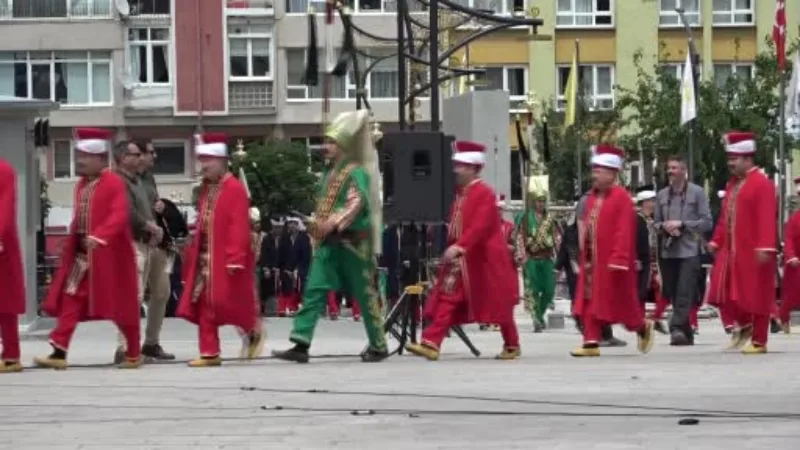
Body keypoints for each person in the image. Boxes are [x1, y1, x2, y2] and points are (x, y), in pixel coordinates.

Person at [273, 110, 388, 363]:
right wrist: (317, 223)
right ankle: (301, 343)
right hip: (329, 245)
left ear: (345, 145)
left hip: (354, 244)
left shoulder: (356, 171)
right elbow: (326, 207)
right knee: (314, 289)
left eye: (332, 141)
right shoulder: (327, 174)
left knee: (364, 294)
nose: (326, 146)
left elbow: (355, 203)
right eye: (327, 141)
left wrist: (331, 223)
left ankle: (379, 344)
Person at [35, 128, 142, 370]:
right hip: (83, 257)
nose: (80, 161)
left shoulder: (114, 182)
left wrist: (101, 237)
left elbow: (119, 214)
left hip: (110, 257)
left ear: (101, 159)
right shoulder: (81, 184)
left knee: (120, 306)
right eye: (79, 155)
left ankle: (134, 352)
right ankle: (59, 350)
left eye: (85, 156)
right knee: (71, 298)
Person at [405, 140, 520, 361]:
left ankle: (512, 343)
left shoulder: (485, 193)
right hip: (463, 258)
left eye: (461, 166)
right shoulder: (460, 193)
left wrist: (460, 246)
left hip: (483, 259)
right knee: (448, 296)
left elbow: (480, 226)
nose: (456, 170)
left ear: (473, 168)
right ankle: (431, 342)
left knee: (499, 303)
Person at [176, 132, 265, 367]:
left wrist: (236, 257)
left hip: (225, 258)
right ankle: (209, 351)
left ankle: (252, 329)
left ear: (222, 162)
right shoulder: (208, 188)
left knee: (227, 303)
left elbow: (239, 225)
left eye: (208, 160)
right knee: (204, 304)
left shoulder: (234, 188)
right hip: (205, 257)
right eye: (201, 160)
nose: (203, 165)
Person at [571, 144, 655, 358]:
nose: (594, 176)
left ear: (612, 173)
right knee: (589, 300)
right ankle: (590, 341)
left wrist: (619, 258)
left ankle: (641, 326)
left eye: (598, 172)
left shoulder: (622, 198)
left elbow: (624, 231)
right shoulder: (591, 199)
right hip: (593, 263)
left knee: (622, 306)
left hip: (614, 263)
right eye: (594, 171)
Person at [707, 131, 777, 354]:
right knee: (722, 291)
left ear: (748, 159)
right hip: (731, 251)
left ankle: (759, 340)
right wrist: (716, 241)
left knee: (757, 295)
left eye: (734, 159)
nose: (730, 163)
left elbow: (767, 218)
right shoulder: (733, 184)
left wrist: (766, 247)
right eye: (729, 159)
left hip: (754, 251)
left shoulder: (762, 184)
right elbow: (724, 216)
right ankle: (744, 326)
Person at [110, 140, 166, 364]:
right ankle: (124, 349)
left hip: (145, 243)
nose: (140, 158)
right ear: (124, 158)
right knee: (132, 298)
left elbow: (143, 208)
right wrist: (150, 226)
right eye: (135, 154)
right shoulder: (119, 181)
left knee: (138, 296)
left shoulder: (138, 181)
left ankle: (133, 347)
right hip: (131, 244)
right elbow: (127, 212)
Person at [652, 155, 713, 346]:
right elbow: (654, 223)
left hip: (690, 250)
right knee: (672, 292)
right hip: (668, 250)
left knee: (685, 290)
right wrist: (665, 227)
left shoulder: (697, 192)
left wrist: (683, 224)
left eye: (675, 168)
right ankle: (686, 332)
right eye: (669, 168)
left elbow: (707, 222)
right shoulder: (662, 195)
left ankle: (676, 327)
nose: (671, 171)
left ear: (684, 170)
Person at [135, 140, 175, 360]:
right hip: (138, 240)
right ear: (138, 155)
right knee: (135, 295)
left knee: (162, 292)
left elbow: (153, 203)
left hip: (156, 241)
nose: (154, 156)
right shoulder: (126, 179)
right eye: (150, 152)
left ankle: (151, 342)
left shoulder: (149, 178)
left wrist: (160, 206)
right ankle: (127, 346)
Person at [515, 181, 558, 333]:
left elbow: (556, 238)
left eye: (543, 201)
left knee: (549, 291)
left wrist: (557, 258)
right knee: (532, 291)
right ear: (534, 202)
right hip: (531, 258)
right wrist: (521, 255)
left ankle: (539, 315)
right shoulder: (525, 217)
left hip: (547, 259)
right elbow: (519, 236)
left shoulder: (550, 220)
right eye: (539, 201)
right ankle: (536, 320)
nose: (541, 204)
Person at [0, 158, 25, 373]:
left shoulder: (4, 170)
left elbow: (6, 208)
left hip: (2, 247)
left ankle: (11, 355)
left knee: (5, 303)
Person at [635, 187, 666, 333]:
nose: (654, 204)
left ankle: (656, 318)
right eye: (652, 201)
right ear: (644, 203)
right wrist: (635, 258)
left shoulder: (652, 221)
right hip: (642, 261)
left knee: (659, 290)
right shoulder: (636, 220)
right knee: (641, 291)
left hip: (654, 261)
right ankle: (640, 321)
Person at [780, 180, 800, 334]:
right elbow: (789, 241)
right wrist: (791, 256)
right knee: (791, 294)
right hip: (797, 263)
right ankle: (784, 320)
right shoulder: (795, 219)